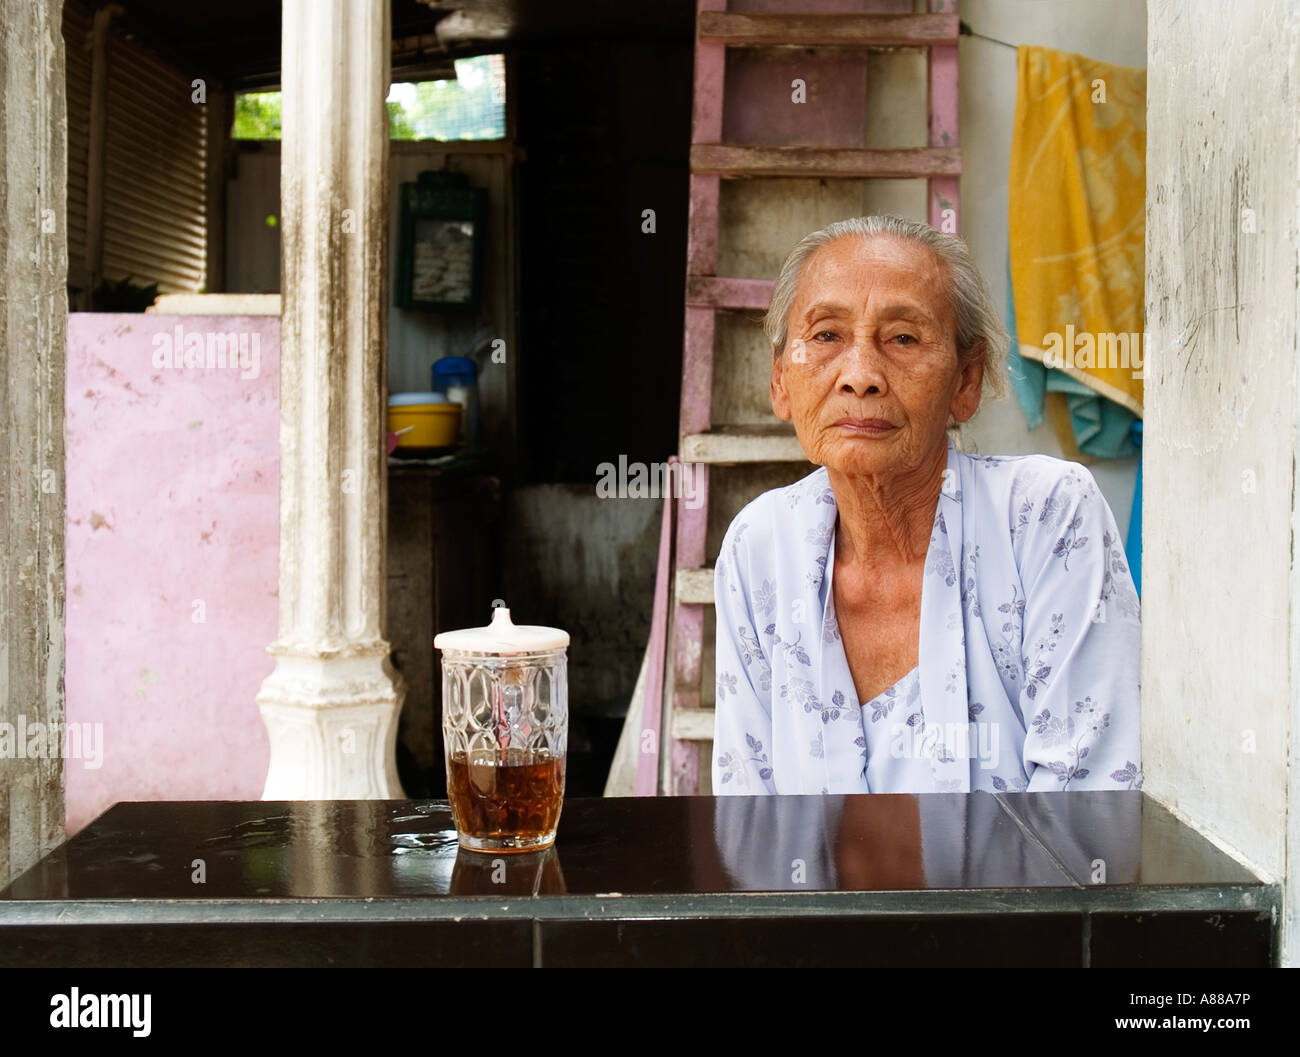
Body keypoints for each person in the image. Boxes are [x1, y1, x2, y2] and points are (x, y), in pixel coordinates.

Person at [712, 215, 1141, 794]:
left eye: (904, 338)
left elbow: (1090, 805)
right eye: (826, 335)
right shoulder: (761, 547)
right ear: (780, 382)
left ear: (967, 380)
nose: (860, 376)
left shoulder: (1045, 517)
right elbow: (750, 810)